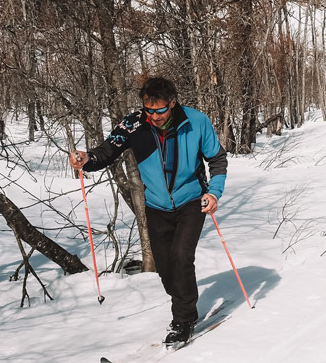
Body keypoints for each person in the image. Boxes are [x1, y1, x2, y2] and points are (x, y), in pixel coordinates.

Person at [69, 77, 227, 346]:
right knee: (166, 269)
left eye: (160, 110)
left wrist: (214, 192)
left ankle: (184, 319)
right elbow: (108, 151)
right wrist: (87, 159)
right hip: (156, 206)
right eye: (148, 109)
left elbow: (217, 159)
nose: (153, 116)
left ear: (173, 103)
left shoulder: (195, 121)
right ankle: (182, 299)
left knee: (181, 257)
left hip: (192, 200)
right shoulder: (134, 123)